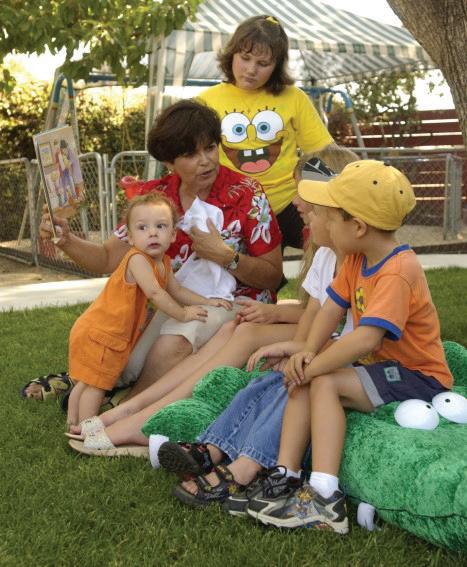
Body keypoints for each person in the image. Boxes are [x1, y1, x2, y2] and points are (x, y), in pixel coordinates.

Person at [242, 160, 453, 534]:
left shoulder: (398, 270)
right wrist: (306, 351)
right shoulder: (357, 259)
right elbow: (330, 309)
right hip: (380, 368)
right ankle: (285, 476)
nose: (323, 223)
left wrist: (313, 365)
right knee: (308, 376)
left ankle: (325, 499)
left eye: (330, 217)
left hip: (417, 376)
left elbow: (367, 338)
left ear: (357, 227)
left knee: (322, 380)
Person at [24, 99, 282, 401]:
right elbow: (107, 258)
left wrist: (228, 257)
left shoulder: (247, 193)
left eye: (211, 148)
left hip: (239, 304)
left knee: (174, 342)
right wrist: (67, 240)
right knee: (125, 348)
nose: (206, 161)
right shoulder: (155, 198)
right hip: (176, 300)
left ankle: (125, 406)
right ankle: (93, 383)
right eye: (190, 154)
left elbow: (272, 276)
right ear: (169, 162)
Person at [154, 158, 355, 509]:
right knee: (264, 382)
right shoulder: (327, 256)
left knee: (293, 385)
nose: (295, 202)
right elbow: (314, 316)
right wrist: (295, 348)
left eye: (307, 195)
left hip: (348, 361)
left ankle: (247, 468)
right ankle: (214, 447)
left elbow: (357, 335)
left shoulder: (362, 264)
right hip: (329, 350)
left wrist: (303, 353)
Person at [67, 192, 232, 427]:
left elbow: (177, 291)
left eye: (160, 226)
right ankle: (88, 427)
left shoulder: (163, 262)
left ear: (173, 234)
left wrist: (208, 301)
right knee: (97, 385)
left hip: (105, 331)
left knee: (87, 381)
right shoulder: (137, 260)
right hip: (102, 331)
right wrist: (183, 314)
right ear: (130, 237)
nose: (152, 233)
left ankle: (73, 422)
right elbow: (156, 293)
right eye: (142, 228)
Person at [198, 14, 357, 250]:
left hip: (291, 203)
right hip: (235, 208)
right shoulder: (205, 102)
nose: (251, 69)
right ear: (232, 54)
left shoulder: (293, 97)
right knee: (252, 272)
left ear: (276, 66)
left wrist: (324, 196)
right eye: (245, 58)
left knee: (332, 250)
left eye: (263, 64)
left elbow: (323, 154)